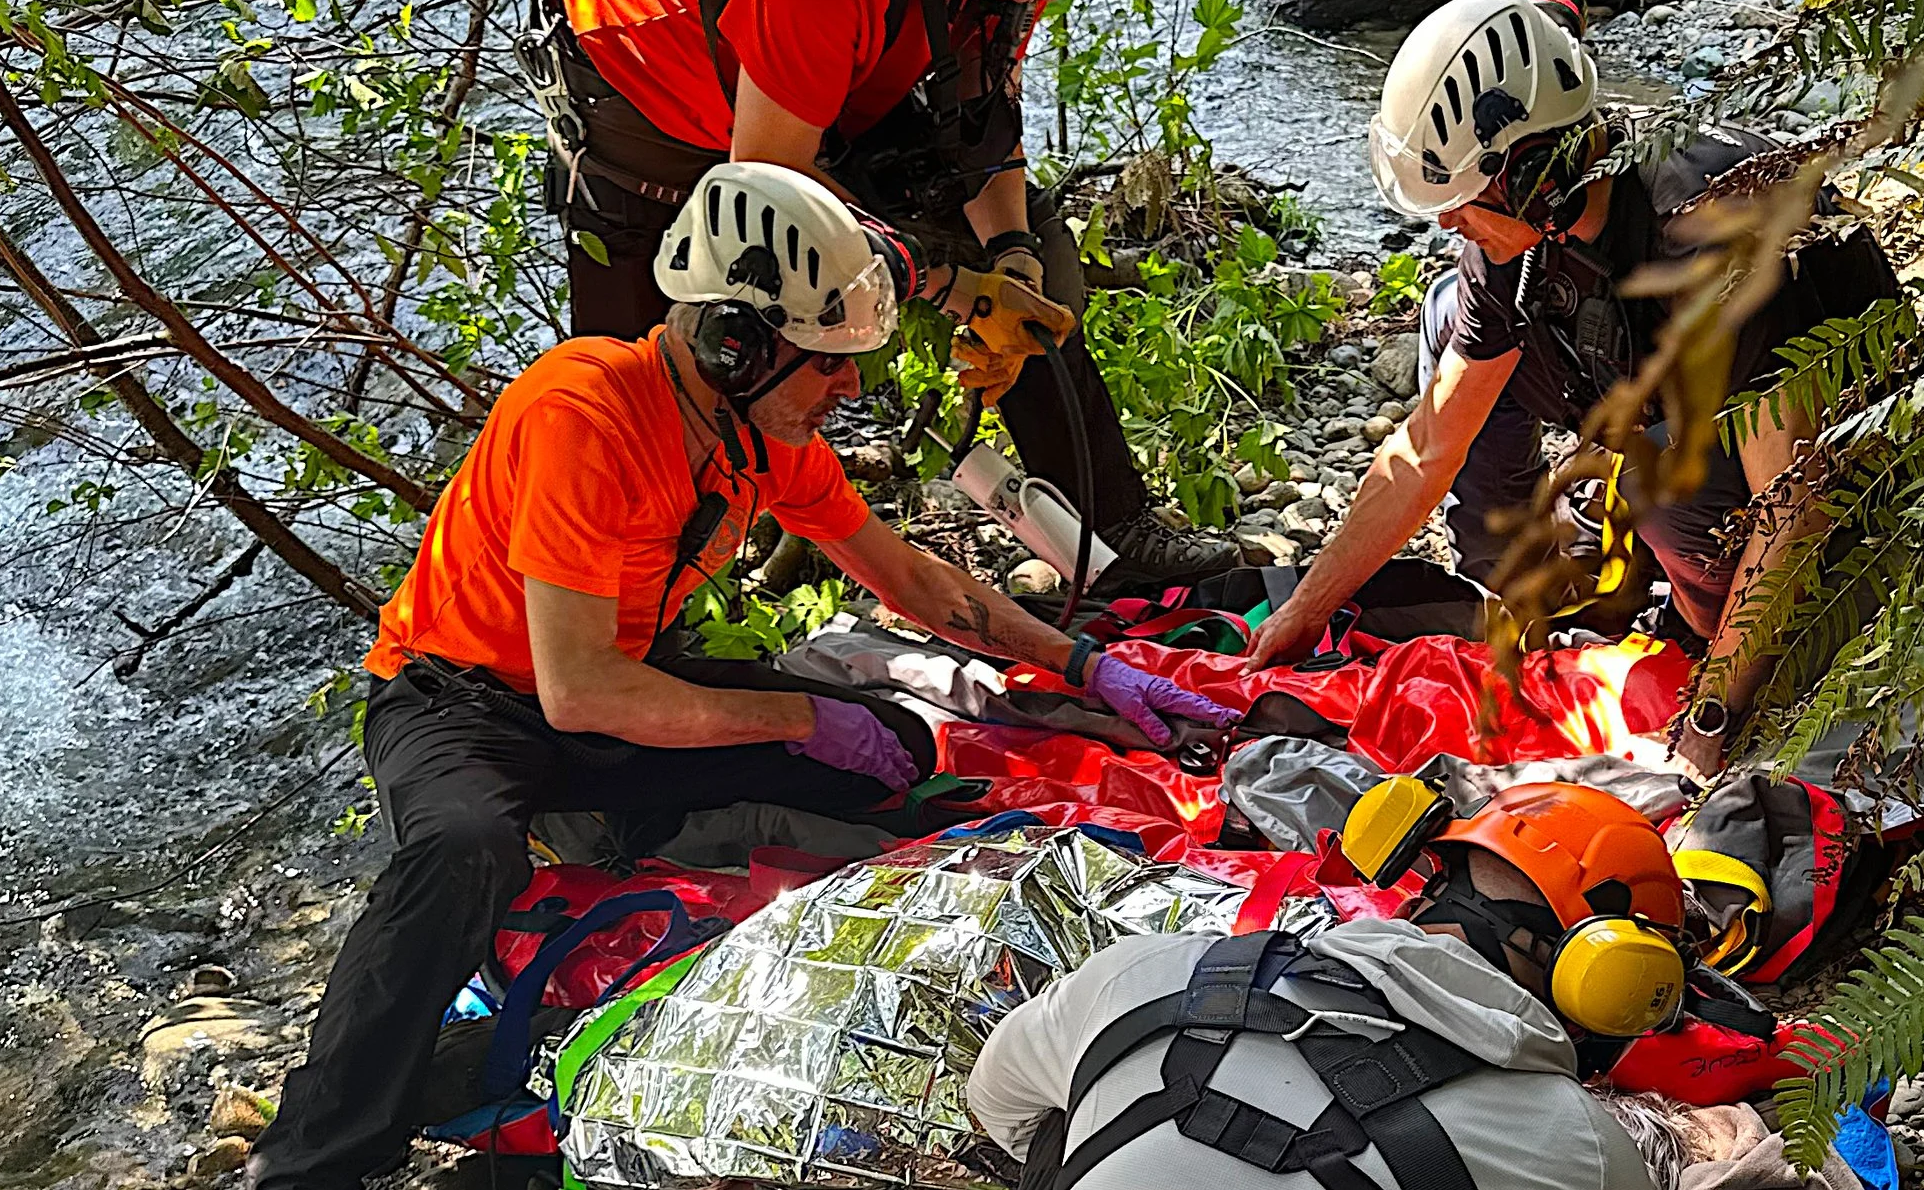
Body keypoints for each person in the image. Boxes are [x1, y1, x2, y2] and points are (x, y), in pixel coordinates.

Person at [247, 164, 1238, 1190]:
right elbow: (576, 691)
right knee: (463, 850)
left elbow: (907, 577)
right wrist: (789, 713)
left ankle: (618, 822)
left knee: (889, 752)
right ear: (736, 343)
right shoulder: (582, 411)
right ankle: (314, 1152)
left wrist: (1086, 664)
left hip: (620, 685)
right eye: (825, 365)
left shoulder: (753, 435)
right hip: (462, 700)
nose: (847, 388)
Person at [514, 0, 1233, 581]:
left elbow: (982, 118)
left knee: (1040, 276)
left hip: (801, 72)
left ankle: (1116, 535)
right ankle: (636, 618)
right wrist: (952, 285)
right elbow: (769, 204)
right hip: (639, 88)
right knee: (662, 387)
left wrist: (1007, 264)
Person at [1243, 0, 1900, 775]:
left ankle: (1729, 638)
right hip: (1668, 442)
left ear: (1535, 173)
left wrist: (1712, 715)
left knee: (1663, 475)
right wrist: (1307, 610)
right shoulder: (1516, 247)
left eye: (1461, 201)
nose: (1450, 222)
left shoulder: (1708, 231)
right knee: (1453, 315)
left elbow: (1798, 502)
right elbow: (1427, 448)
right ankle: (1565, 598)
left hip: (1850, 509)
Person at [964, 782, 1716, 1190]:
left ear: (1418, 885)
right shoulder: (1578, 1144)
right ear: (1613, 977)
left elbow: (995, 1101)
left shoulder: (1143, 972)